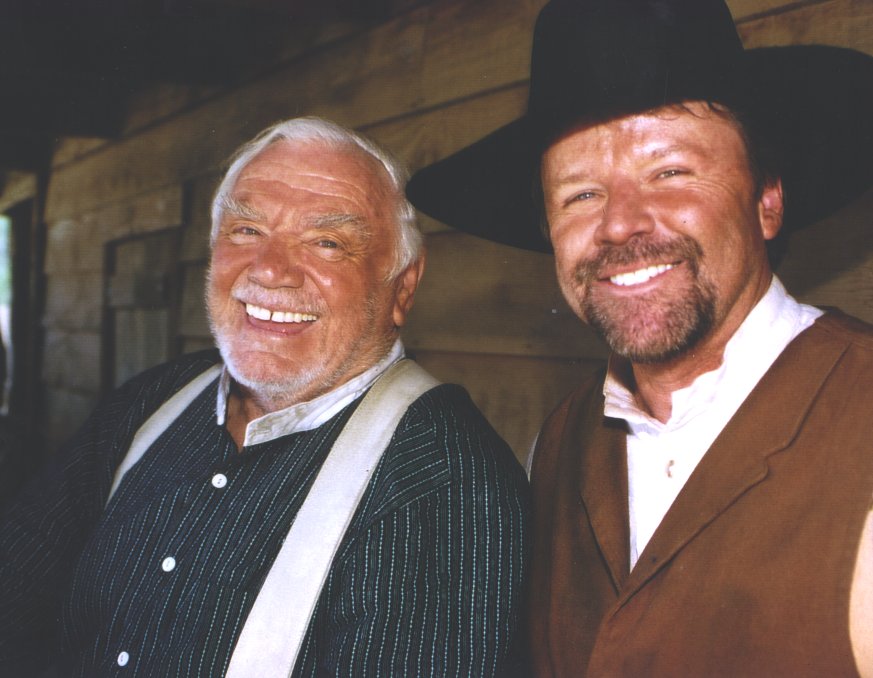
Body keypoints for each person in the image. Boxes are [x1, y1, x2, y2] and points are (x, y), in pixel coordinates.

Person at [406, 0, 873, 675]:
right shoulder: (560, 444)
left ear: (766, 199)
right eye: (579, 194)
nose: (621, 224)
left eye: (669, 173)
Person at [0, 117, 530, 677]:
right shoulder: (153, 401)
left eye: (327, 242)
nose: (271, 270)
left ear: (402, 287)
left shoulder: (443, 478)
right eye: (246, 231)